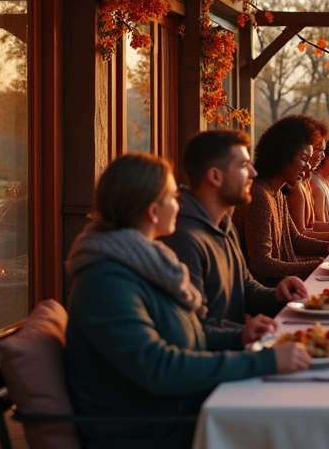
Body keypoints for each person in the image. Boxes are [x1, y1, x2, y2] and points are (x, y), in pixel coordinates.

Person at [65, 153, 311, 449]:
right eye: (173, 195)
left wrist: (239, 337)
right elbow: (159, 368)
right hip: (153, 431)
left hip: (180, 410)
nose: (180, 202)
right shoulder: (105, 282)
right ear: (153, 210)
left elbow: (184, 337)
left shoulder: (148, 263)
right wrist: (262, 360)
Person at [162, 130, 309, 351]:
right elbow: (191, 335)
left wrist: (278, 294)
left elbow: (246, 289)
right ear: (215, 176)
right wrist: (241, 335)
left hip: (239, 353)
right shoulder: (184, 239)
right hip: (217, 373)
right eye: (243, 166)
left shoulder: (224, 225)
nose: (253, 172)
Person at [234, 115, 329, 285]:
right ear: (283, 156)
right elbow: (262, 264)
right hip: (273, 292)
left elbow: (295, 239)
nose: (308, 167)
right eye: (304, 159)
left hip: (287, 283)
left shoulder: (277, 192)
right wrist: (320, 265)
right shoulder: (259, 195)